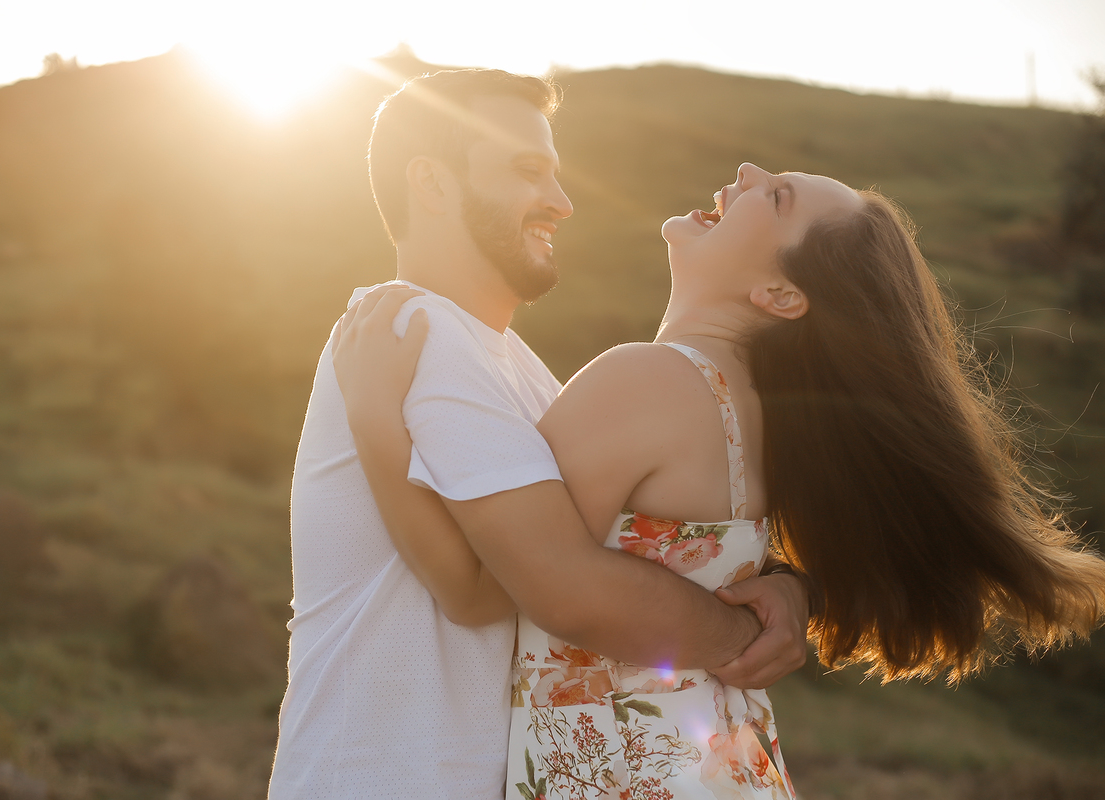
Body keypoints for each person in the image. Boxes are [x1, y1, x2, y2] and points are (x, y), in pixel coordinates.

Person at [331, 157, 1105, 800]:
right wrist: (795, 590)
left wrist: (371, 417)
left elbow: (478, 592)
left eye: (777, 196)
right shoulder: (760, 415)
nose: (747, 170)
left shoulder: (646, 381)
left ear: (781, 295)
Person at [266, 70, 811, 800]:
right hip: (386, 777)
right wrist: (740, 634)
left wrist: (786, 588)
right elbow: (512, 589)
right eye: (528, 171)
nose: (561, 201)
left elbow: (614, 549)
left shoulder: (522, 373)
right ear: (432, 183)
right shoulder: (414, 330)